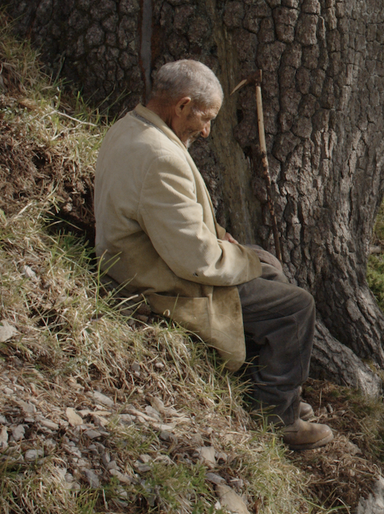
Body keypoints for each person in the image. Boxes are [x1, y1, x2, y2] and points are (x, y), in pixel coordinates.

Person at [93, 59, 333, 450]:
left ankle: (276, 387)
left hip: (142, 254)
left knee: (270, 268)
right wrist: (245, 259)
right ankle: (276, 419)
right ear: (182, 105)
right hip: (153, 279)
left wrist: (234, 245)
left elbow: (172, 216)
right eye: (204, 118)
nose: (205, 131)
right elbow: (197, 260)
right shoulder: (161, 157)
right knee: (295, 306)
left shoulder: (131, 127)